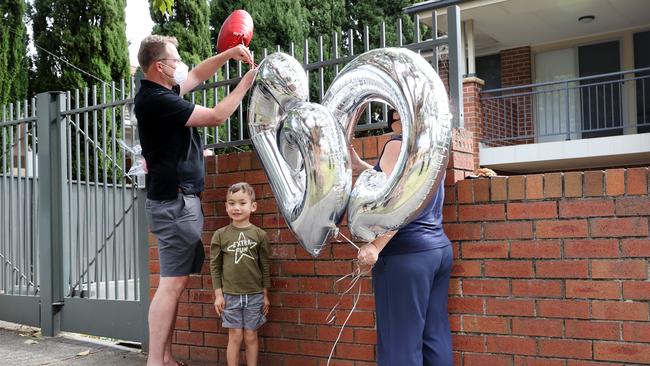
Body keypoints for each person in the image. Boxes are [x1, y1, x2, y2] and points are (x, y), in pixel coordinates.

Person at [134, 34, 256, 366]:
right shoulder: (156, 101)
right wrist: (247, 83)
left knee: (174, 283)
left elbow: (198, 74)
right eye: (175, 60)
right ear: (160, 66)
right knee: (171, 286)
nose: (180, 65)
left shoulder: (157, 92)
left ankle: (165, 357)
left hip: (175, 202)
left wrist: (229, 53)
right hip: (174, 204)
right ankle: (155, 362)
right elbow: (217, 115)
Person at [349, 109, 453, 366]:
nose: (391, 121)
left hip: (405, 255)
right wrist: (361, 166)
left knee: (400, 345)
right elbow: (404, 183)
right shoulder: (432, 146)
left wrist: (376, 245)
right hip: (437, 250)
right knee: (434, 335)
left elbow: (401, 202)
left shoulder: (397, 145)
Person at [210, 182, 270, 366]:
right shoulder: (220, 235)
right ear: (226, 206)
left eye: (242, 203)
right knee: (235, 336)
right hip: (230, 296)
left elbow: (265, 266)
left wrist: (265, 295)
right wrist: (218, 295)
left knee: (251, 335)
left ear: (253, 206)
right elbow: (215, 266)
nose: (236, 207)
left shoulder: (260, 235)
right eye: (232, 203)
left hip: (254, 295)